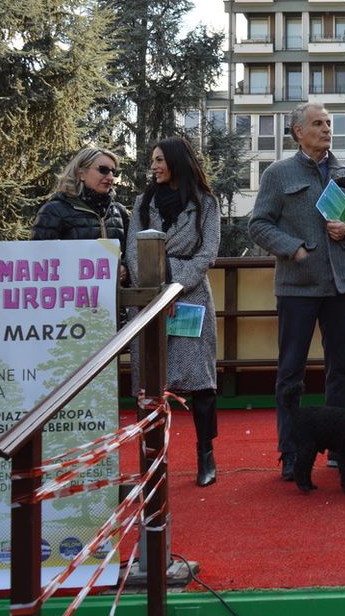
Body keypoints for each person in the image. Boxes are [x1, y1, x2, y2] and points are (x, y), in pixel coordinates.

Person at [248, 103, 345, 480]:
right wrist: (293, 248)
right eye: (318, 123)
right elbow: (258, 225)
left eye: (329, 123)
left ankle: (341, 450)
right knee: (291, 373)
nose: (327, 129)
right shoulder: (278, 173)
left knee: (341, 371)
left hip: (340, 286)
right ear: (298, 131)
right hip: (297, 288)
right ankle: (290, 451)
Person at [126, 136, 221, 487]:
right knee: (150, 382)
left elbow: (207, 253)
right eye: (152, 160)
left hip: (190, 297)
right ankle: (152, 458)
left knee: (201, 382)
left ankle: (206, 454)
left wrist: (174, 286)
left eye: (160, 160)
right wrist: (155, 289)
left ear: (177, 161)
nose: (153, 166)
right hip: (150, 299)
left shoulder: (206, 203)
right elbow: (133, 252)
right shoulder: (142, 203)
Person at [31, 145, 129, 250]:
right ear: (81, 174)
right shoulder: (54, 211)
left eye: (113, 172)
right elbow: (39, 254)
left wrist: (123, 262)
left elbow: (132, 253)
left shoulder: (119, 212)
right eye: (103, 170)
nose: (110, 177)